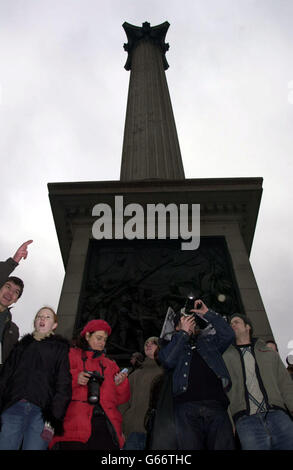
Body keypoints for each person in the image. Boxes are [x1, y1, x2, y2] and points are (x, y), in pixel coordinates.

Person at [157, 299, 235, 450]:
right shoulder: (171, 345)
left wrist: (208, 314)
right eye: (184, 321)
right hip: (186, 408)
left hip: (216, 406)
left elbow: (228, 335)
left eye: (191, 321)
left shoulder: (208, 342)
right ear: (176, 327)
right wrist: (183, 334)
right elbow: (166, 361)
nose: (189, 324)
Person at [50, 319, 130, 450]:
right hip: (74, 424)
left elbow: (122, 399)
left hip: (105, 426)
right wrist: (76, 378)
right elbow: (55, 381)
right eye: (98, 338)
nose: (102, 343)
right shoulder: (70, 355)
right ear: (87, 336)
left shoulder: (110, 364)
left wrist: (120, 384)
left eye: (104, 340)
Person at [0, 306, 72, 450]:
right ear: (34, 322)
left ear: (54, 325)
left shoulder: (60, 349)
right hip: (14, 407)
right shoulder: (20, 347)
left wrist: (53, 418)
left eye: (47, 317)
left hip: (41, 413)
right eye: (39, 316)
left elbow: (63, 384)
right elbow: (5, 378)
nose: (42, 319)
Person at [223, 313, 293, 450]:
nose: (232, 325)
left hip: (278, 416)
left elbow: (285, 384)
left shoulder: (269, 353)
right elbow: (223, 392)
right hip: (246, 422)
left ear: (247, 327)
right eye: (230, 323)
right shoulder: (225, 357)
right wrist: (230, 424)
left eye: (236, 322)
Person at [122, 337, 163, 450]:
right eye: (146, 343)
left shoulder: (166, 373)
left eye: (153, 343)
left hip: (158, 433)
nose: (148, 344)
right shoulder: (135, 375)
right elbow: (124, 402)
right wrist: (122, 427)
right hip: (132, 431)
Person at [0, 240, 33, 365]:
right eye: (8, 287)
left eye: (16, 292)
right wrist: (13, 261)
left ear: (16, 299)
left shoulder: (13, 330)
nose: (10, 293)